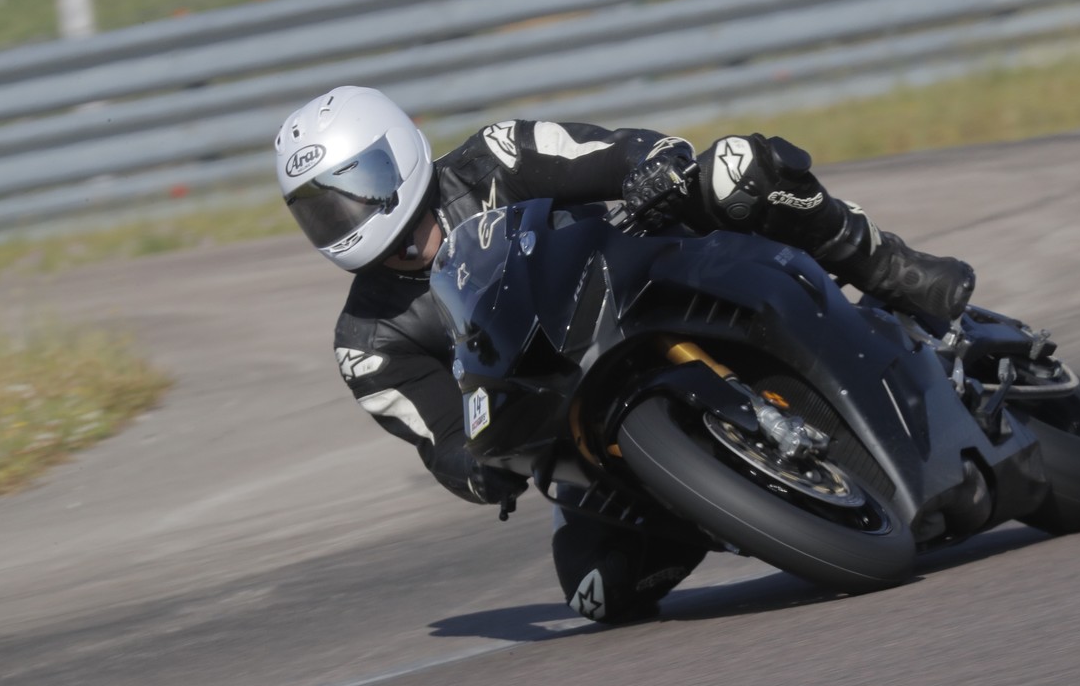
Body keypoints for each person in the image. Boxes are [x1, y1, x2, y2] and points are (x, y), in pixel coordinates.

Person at [274, 86, 976, 623]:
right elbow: (446, 447)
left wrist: (652, 167)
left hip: (652, 277)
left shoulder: (498, 155)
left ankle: (890, 267)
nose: (344, 217)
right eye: (321, 210)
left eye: (352, 190)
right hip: (574, 419)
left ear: (397, 153)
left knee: (736, 167)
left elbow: (624, 151)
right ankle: (718, 499)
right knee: (597, 593)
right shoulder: (366, 343)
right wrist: (483, 467)